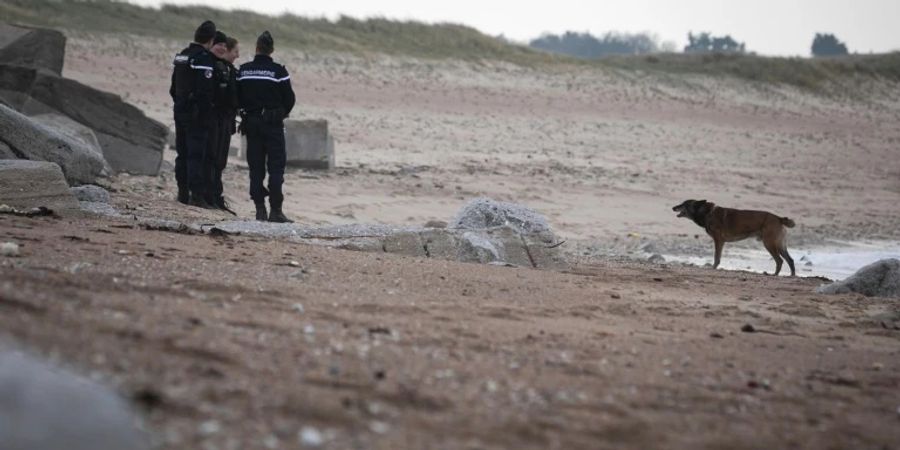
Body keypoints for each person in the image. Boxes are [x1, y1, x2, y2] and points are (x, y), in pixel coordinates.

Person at [237, 31, 296, 222]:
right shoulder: (278, 71)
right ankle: (276, 211)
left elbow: (235, 96)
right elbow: (290, 100)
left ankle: (260, 209)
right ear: (272, 50)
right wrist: (280, 113)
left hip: (251, 124)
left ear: (256, 48)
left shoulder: (243, 70)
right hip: (272, 125)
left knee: (255, 168)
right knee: (276, 168)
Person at [170, 20, 218, 208]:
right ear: (211, 40)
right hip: (196, 113)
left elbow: (173, 87)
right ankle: (196, 195)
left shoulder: (182, 56)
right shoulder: (203, 59)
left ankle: (182, 192)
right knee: (196, 154)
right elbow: (205, 91)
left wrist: (180, 103)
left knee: (182, 152)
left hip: (180, 108)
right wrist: (205, 112)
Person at [207, 31, 238, 214]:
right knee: (213, 159)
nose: (237, 55)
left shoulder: (230, 71)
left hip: (225, 120)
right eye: (235, 51)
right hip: (216, 119)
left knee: (220, 161)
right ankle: (210, 197)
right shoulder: (217, 69)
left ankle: (216, 197)